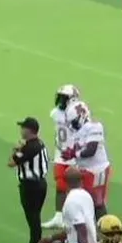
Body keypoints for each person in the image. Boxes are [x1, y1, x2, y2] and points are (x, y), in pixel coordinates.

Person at [40, 84, 82, 232]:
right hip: (61, 153)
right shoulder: (56, 113)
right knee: (60, 186)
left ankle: (73, 218)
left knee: (75, 189)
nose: (61, 101)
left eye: (64, 98)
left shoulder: (76, 114)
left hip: (74, 155)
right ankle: (59, 217)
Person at [9, 116, 49, 243]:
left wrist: (17, 150)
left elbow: (11, 162)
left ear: (29, 130)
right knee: (33, 218)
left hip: (32, 185)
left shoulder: (30, 147)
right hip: (37, 184)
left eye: (23, 128)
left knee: (33, 218)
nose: (21, 130)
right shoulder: (38, 144)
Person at [67, 103, 112, 219]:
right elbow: (78, 150)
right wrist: (70, 154)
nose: (73, 125)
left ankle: (105, 228)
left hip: (97, 170)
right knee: (84, 202)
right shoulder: (77, 132)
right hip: (85, 170)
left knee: (97, 203)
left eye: (74, 121)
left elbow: (91, 150)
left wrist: (74, 154)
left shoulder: (94, 126)